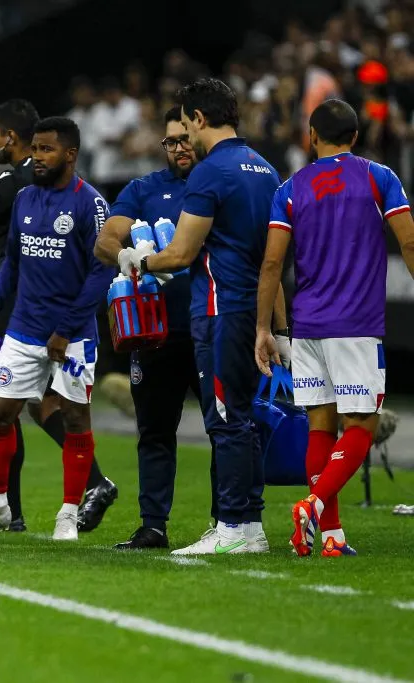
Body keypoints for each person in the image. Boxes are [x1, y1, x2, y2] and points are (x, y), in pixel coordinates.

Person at [121, 78, 286, 555]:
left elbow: (182, 253)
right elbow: (274, 256)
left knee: (226, 420)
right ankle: (249, 526)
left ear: (196, 118)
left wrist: (139, 261)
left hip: (218, 309)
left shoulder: (209, 172)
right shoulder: (265, 169)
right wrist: (276, 325)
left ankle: (231, 527)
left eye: (185, 124)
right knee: (244, 417)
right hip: (250, 309)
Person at [0, 99, 118, 533]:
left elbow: (99, 275)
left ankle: (68, 512)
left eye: (46, 150)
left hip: (73, 334)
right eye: (35, 149)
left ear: (70, 154)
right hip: (23, 328)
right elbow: (14, 265)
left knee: (75, 417)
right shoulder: (23, 198)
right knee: (0, 413)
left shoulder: (91, 205)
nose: (37, 157)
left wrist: (65, 330)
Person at [255, 99, 414, 557]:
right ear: (356, 137)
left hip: (307, 324)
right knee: (362, 425)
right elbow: (408, 240)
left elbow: (271, 263)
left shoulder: (290, 187)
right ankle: (315, 504)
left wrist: (264, 328)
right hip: (356, 324)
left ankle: (331, 536)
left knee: (320, 425)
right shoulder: (378, 177)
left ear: (311, 135)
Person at [95, 106, 215, 550]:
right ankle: (153, 526)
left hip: (211, 327)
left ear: (201, 136)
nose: (179, 148)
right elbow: (106, 239)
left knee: (223, 429)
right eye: (171, 141)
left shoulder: (217, 183)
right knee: (154, 432)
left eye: (185, 139)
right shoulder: (144, 189)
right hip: (155, 332)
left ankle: (229, 523)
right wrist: (124, 255)